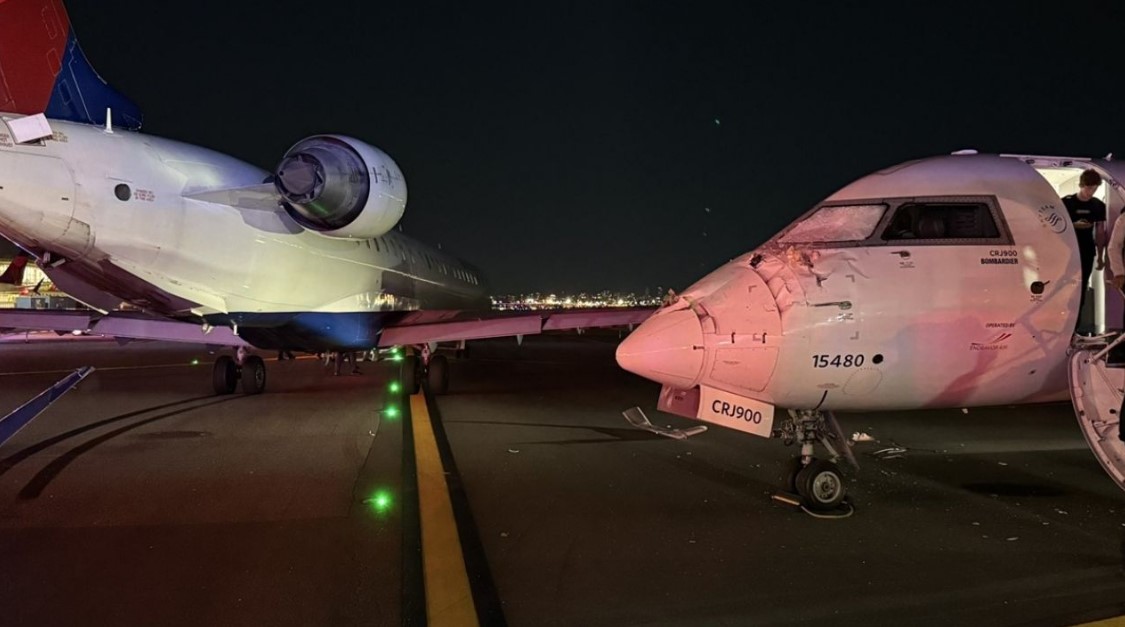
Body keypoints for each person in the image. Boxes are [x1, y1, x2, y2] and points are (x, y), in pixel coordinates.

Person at [1063, 169, 1107, 333]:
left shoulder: (1097, 205)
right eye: (1089, 188)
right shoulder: (1067, 203)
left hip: (1087, 250)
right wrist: (1074, 225)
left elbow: (1100, 232)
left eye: (1094, 189)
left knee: (1081, 287)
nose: (1091, 192)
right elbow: (1057, 226)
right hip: (1067, 250)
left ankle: (1076, 326)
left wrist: (1101, 256)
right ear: (1082, 185)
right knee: (1063, 284)